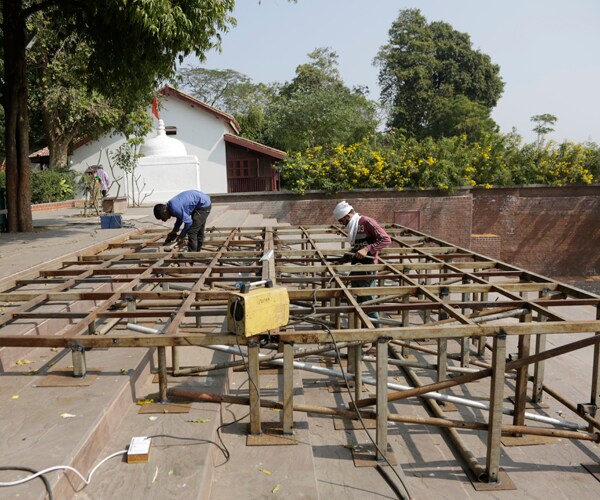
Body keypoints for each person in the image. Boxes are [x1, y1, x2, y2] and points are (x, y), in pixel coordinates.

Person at [333, 200, 391, 337]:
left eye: (341, 221)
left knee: (367, 300)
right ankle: (364, 330)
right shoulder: (353, 226)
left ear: (347, 216)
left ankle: (376, 334)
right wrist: (346, 257)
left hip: (367, 267)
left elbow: (386, 239)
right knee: (358, 300)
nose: (341, 224)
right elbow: (358, 246)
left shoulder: (366, 221)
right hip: (357, 266)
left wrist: (368, 249)